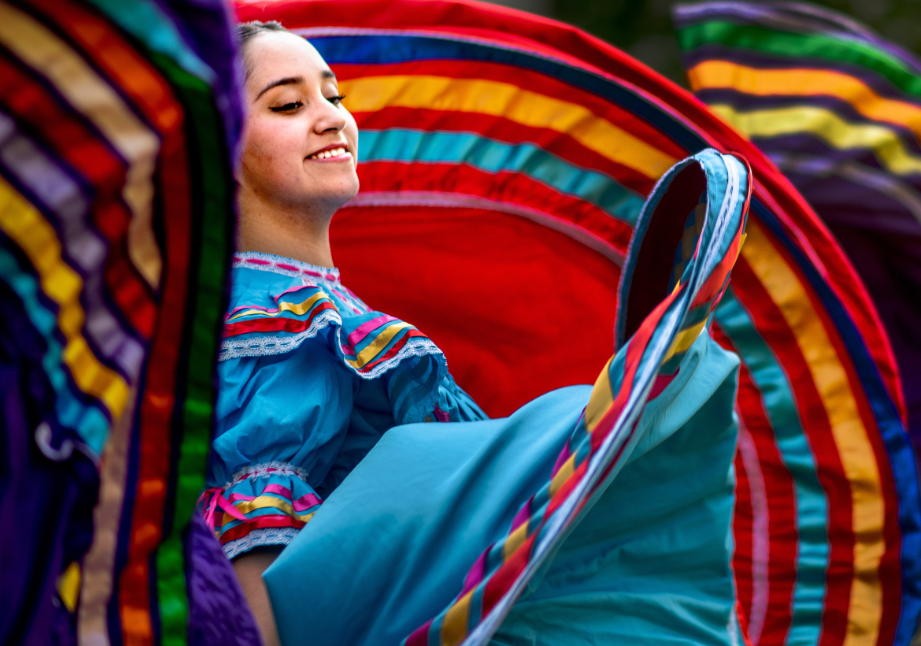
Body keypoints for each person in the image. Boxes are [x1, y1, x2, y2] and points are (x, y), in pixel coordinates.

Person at [201, 21, 750, 646]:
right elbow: (249, 528)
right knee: (579, 427)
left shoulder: (322, 310)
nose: (329, 118)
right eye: (289, 104)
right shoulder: (261, 322)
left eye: (334, 96)